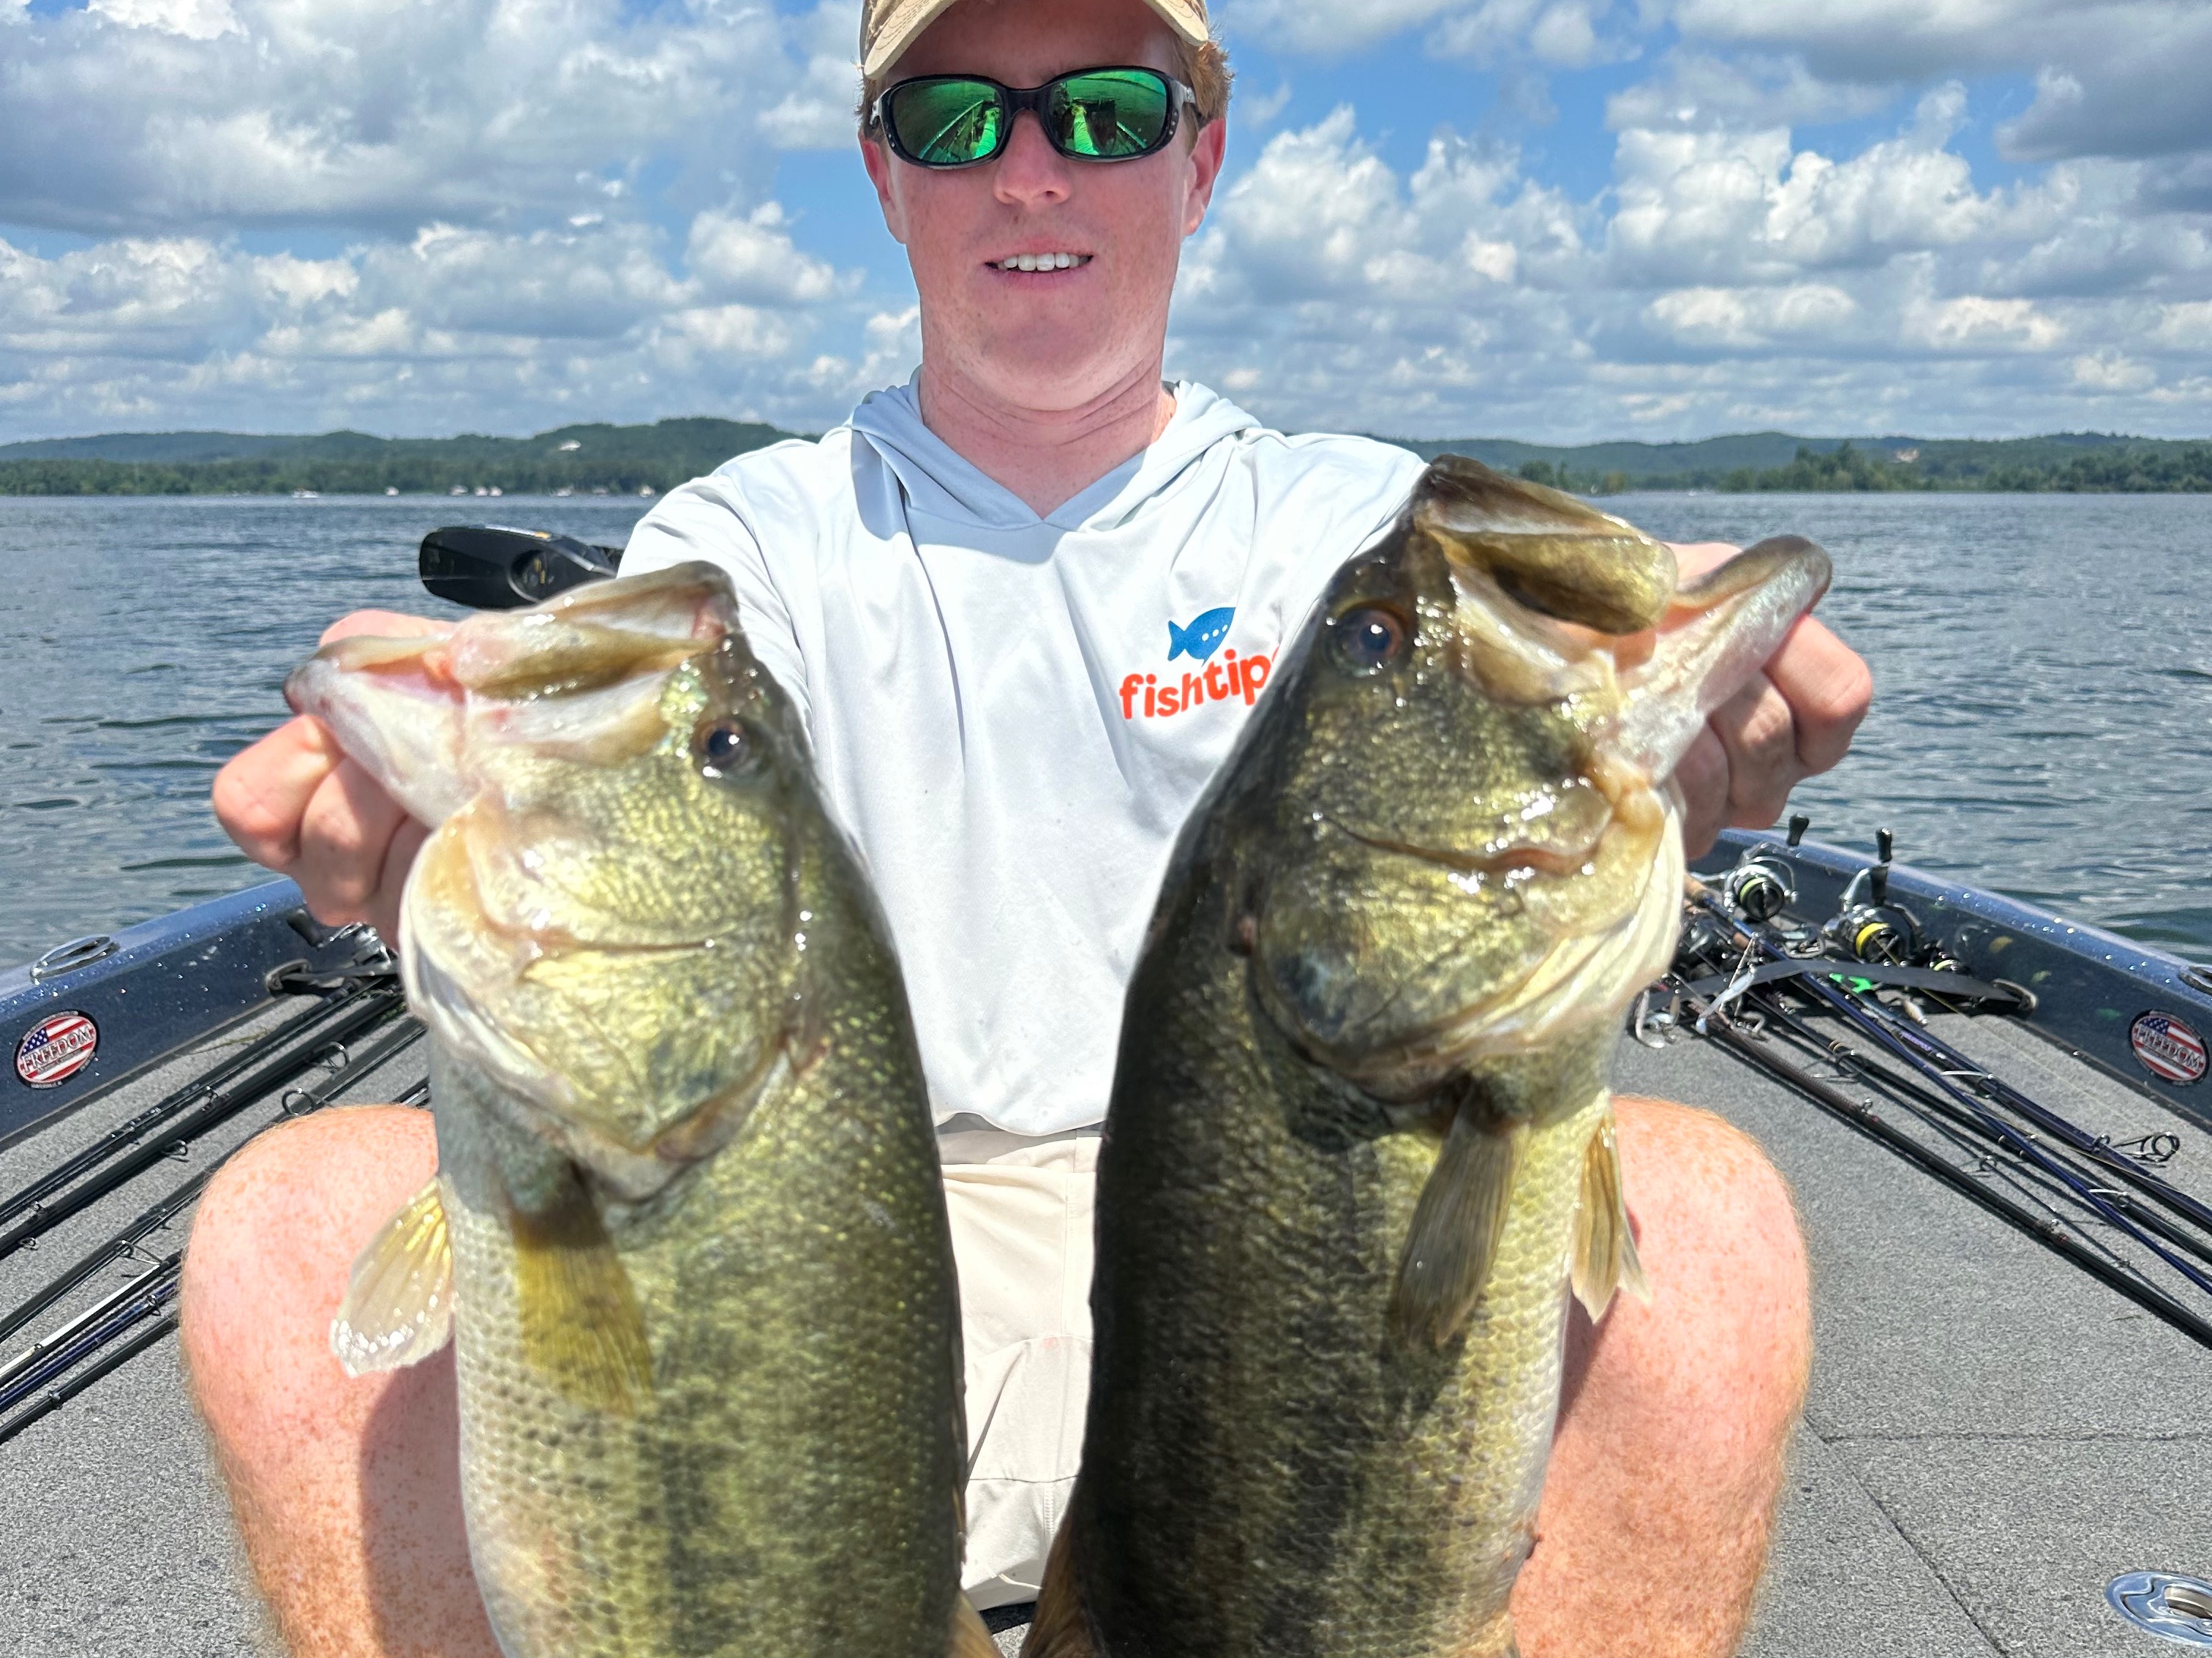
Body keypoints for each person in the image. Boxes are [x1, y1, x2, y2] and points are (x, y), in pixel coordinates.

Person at [189, 0, 1869, 1651]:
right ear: (882, 172)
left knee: (1709, 1223)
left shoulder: (1350, 524)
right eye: (958, 118)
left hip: (1275, 1225)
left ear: (1200, 157)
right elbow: (598, 751)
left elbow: (1572, 665)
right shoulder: (746, 545)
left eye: (1110, 112)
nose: (1034, 171)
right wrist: (413, 728)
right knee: (285, 1227)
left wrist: (1706, 672)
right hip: (859, 1228)